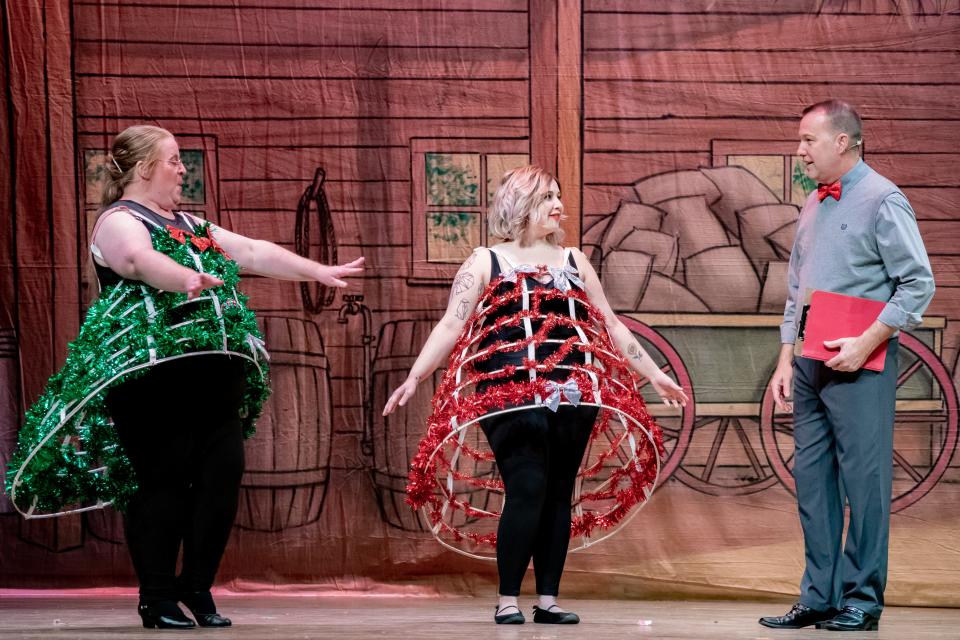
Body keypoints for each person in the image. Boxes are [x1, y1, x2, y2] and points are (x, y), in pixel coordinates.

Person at [7, 125, 363, 630]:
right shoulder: (118, 220)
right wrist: (185, 278)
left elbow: (255, 252)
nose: (182, 169)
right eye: (174, 160)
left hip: (212, 380)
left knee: (221, 478)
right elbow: (137, 259)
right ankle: (156, 598)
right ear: (145, 167)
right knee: (162, 482)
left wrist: (317, 270)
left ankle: (197, 587)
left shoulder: (190, 223)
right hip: (153, 382)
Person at [383, 165, 687, 625]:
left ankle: (548, 599)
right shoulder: (486, 261)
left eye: (558, 196)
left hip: (572, 389)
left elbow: (610, 322)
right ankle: (508, 598)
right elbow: (452, 323)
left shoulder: (574, 261)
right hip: (506, 391)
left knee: (559, 491)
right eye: (548, 197)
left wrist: (653, 373)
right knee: (526, 486)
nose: (559, 205)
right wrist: (415, 375)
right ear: (521, 203)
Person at [760, 101, 934, 632]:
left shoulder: (884, 199)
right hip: (810, 363)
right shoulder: (813, 202)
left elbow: (918, 283)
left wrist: (866, 341)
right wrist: (785, 358)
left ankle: (862, 599)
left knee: (864, 484)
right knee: (813, 483)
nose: (800, 151)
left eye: (809, 140)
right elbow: (797, 289)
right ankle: (819, 596)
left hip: (861, 363)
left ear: (844, 142)